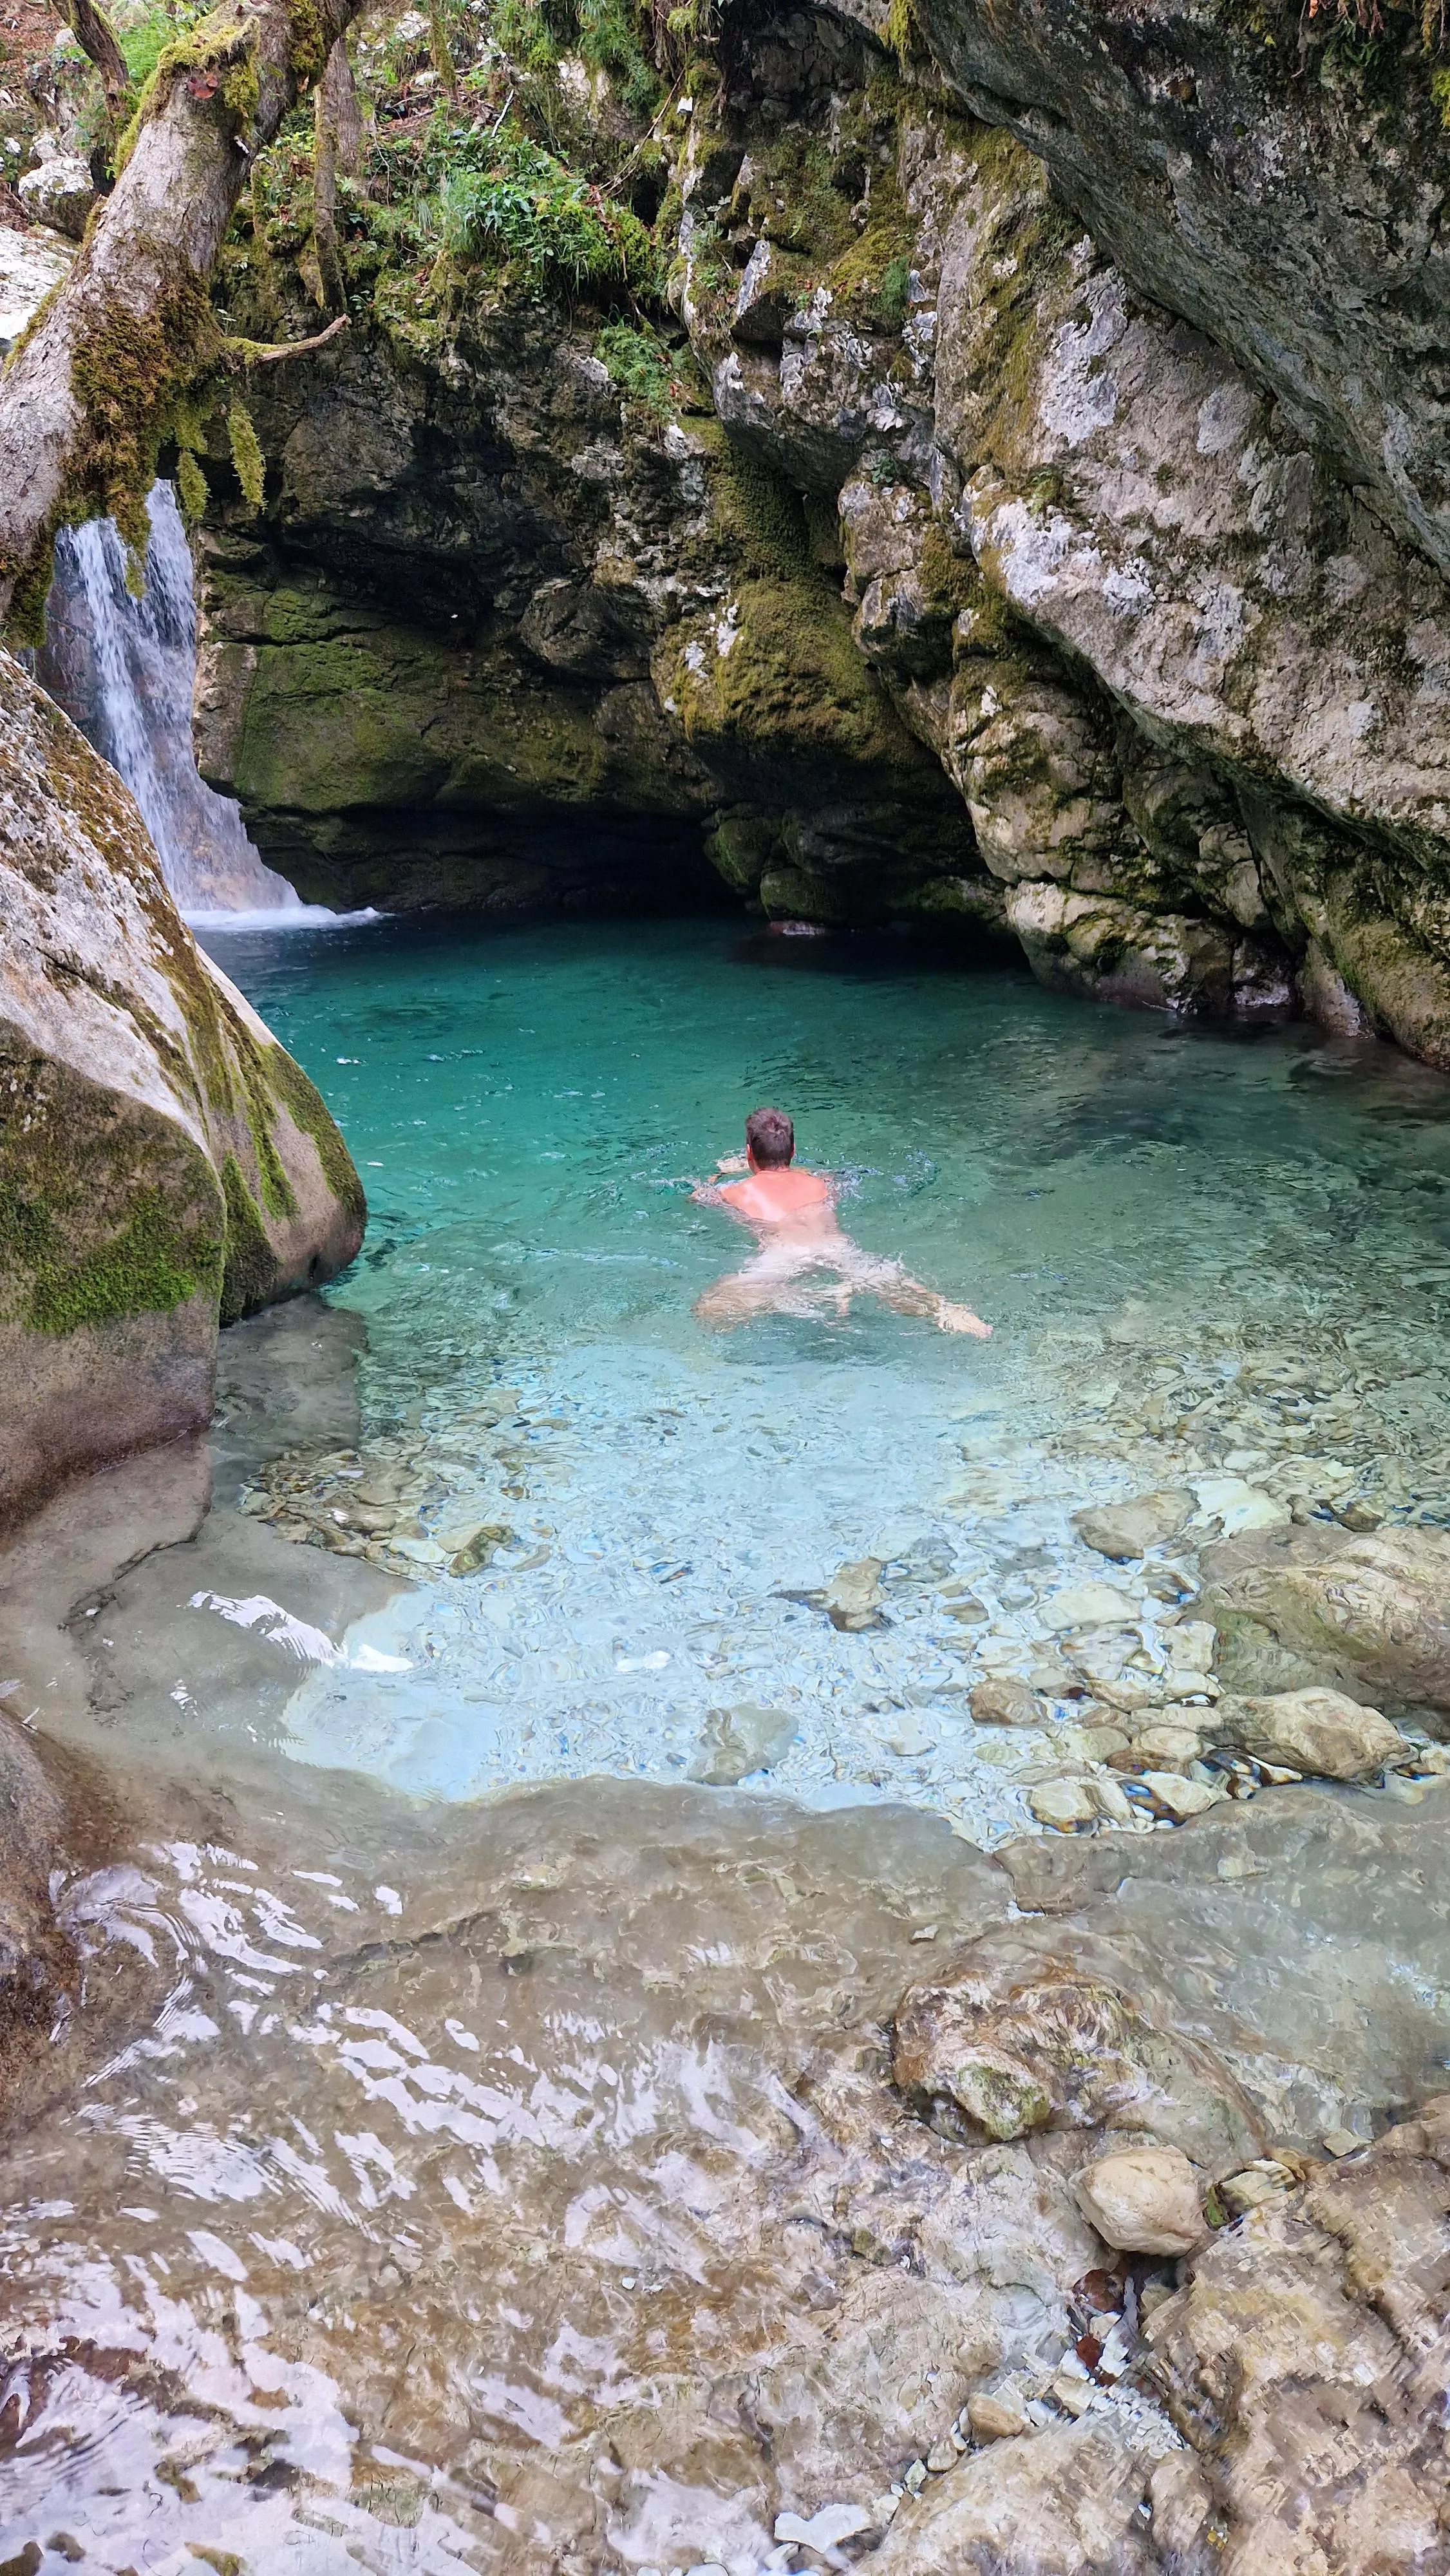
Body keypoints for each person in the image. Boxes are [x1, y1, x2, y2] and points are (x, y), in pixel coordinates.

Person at [692, 1106, 991, 1336]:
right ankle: (947, 1311)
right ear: (793, 1151)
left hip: (783, 1255)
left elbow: (698, 1197)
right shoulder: (820, 1183)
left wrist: (720, 1172)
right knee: (884, 1278)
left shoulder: (736, 1191)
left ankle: (799, 1297)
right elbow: (817, 1177)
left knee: (710, 1311)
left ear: (748, 1154)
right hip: (836, 1247)